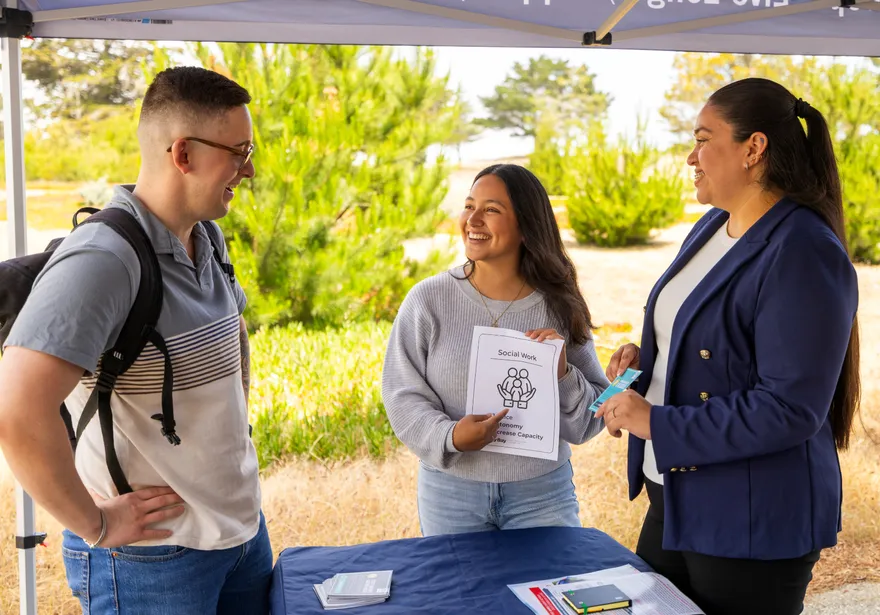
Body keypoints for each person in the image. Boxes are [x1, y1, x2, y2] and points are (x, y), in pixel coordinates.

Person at [0, 67, 272, 614]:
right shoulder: (102, 261)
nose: (248, 168)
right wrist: (95, 523)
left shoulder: (206, 235)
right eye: (238, 151)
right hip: (152, 561)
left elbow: (229, 339)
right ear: (183, 154)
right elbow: (16, 412)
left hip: (239, 534)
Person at [598, 77, 860, 615]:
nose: (690, 156)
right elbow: (711, 342)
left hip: (750, 519)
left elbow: (789, 409)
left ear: (754, 148)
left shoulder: (803, 249)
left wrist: (656, 422)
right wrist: (649, 359)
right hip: (674, 497)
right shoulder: (712, 227)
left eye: (702, 138)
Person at [381, 163, 609, 536]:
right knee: (461, 596)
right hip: (450, 494)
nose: (473, 219)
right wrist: (449, 436)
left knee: (548, 593)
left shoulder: (560, 305)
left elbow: (591, 418)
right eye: (469, 206)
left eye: (491, 210)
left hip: (542, 494)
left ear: (526, 226)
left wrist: (564, 375)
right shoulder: (428, 300)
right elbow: (401, 394)